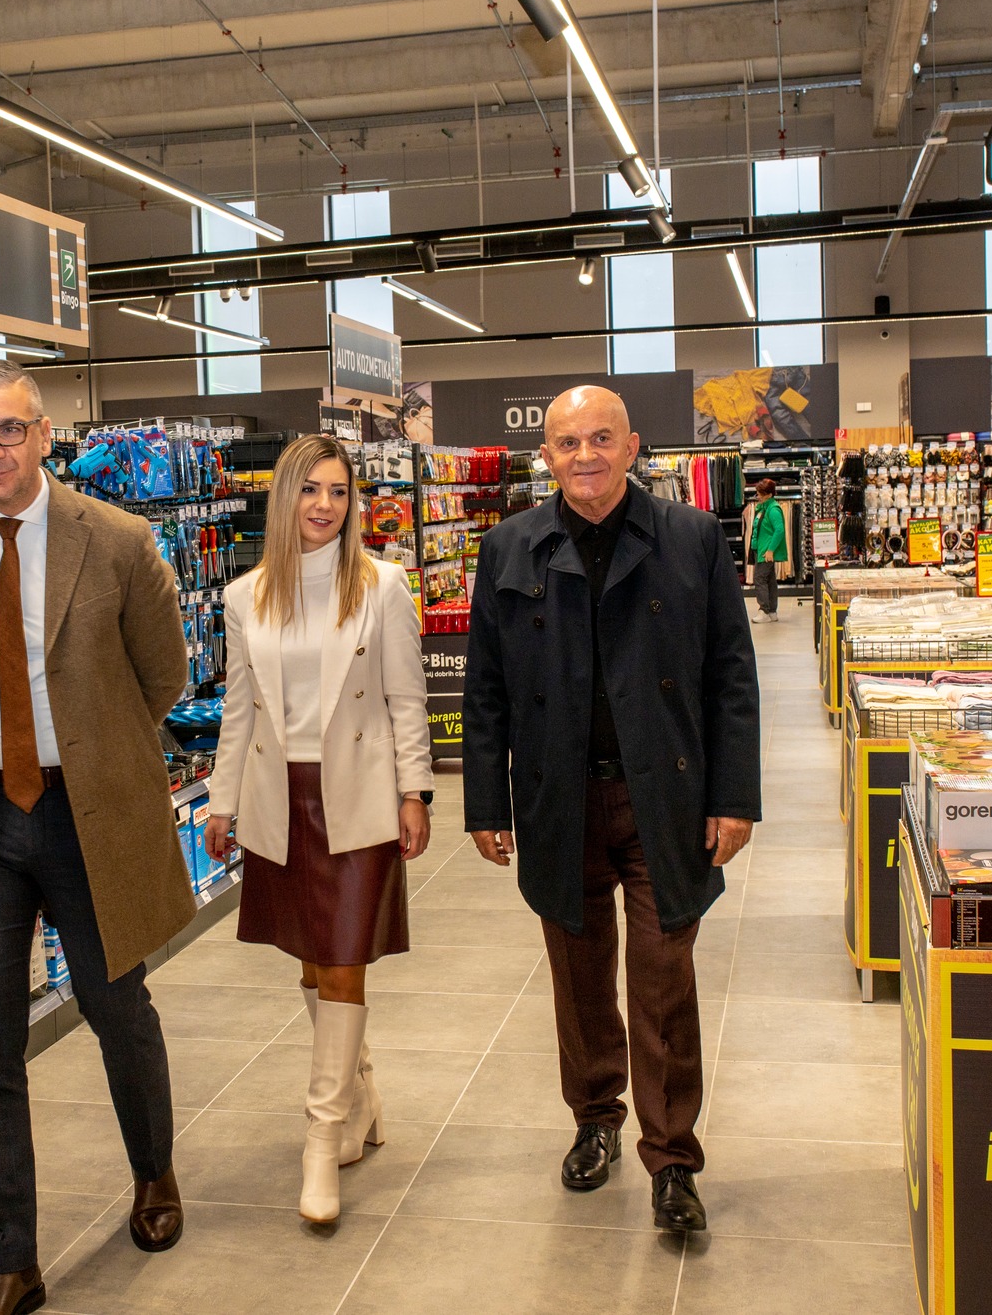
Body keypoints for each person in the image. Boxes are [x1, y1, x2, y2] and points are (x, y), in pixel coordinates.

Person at [0, 360, 194, 1315]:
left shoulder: (118, 538)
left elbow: (164, 675)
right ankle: (9, 1261)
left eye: (8, 430)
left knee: (116, 1006)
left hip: (86, 811)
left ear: (44, 433)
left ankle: (154, 1170)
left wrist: (90, 748)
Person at [461, 385, 762, 1234]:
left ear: (632, 448)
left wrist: (734, 796)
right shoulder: (509, 546)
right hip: (558, 797)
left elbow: (731, 675)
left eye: (601, 438)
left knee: (664, 980)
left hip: (665, 795)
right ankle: (595, 1117)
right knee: (580, 973)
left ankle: (672, 1158)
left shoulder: (690, 537)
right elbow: (485, 688)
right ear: (546, 457)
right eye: (567, 442)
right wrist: (486, 801)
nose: (584, 455)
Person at [203, 435, 433, 1224]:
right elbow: (239, 708)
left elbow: (406, 698)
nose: (325, 504)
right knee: (310, 959)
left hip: (358, 795)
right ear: (285, 498)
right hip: (281, 797)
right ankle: (361, 1095)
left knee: (342, 961)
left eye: (339, 491)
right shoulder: (245, 595)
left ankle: (321, 1133)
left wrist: (414, 792)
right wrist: (221, 800)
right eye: (310, 489)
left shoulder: (383, 585)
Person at [745, 477, 790, 622]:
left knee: (759, 578)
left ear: (769, 494)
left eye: (760, 494)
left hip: (766, 551)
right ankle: (771, 611)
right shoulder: (764, 508)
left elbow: (779, 530)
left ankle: (764, 610)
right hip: (762, 549)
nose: (757, 496)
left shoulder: (773, 509)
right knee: (770, 580)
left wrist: (770, 550)